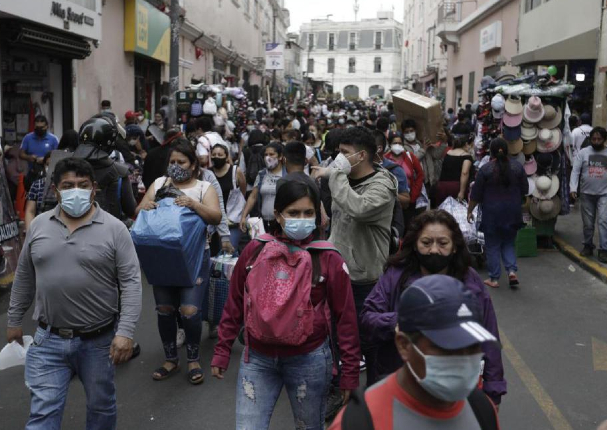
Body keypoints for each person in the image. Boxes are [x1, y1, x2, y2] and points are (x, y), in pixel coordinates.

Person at [211, 180, 361, 430]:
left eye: (308, 213)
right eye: (293, 213)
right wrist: (222, 349)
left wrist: (350, 373)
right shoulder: (255, 251)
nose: (301, 219)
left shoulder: (329, 258)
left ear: (317, 215)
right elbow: (235, 302)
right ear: (278, 215)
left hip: (309, 360)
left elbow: (346, 319)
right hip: (257, 359)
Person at [7, 157, 142, 430]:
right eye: (68, 185)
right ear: (55, 190)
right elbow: (24, 276)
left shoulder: (115, 229)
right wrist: (13, 320)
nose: (75, 190)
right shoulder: (39, 227)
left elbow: (131, 282)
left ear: (94, 189)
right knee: (42, 415)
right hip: (48, 340)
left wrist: (125, 332)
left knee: (101, 407)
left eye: (82, 185)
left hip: (99, 341)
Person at [360, 209, 506, 402]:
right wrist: (398, 322)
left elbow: (489, 338)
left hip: (457, 391)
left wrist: (492, 393)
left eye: (443, 243)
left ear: (454, 247)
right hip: (402, 387)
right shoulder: (396, 276)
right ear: (414, 245)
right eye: (426, 243)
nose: (434, 250)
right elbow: (367, 318)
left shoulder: (471, 283)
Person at [329, 275, 500, 430]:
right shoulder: (360, 422)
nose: (463, 359)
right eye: (446, 347)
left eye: (471, 346)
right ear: (404, 345)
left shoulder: (482, 410)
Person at [312, 126, 397, 402]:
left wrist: (334, 174)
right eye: (338, 152)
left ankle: (375, 400)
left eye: (345, 153)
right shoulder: (343, 180)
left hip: (366, 282)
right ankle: (342, 393)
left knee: (371, 345)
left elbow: (357, 208)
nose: (339, 158)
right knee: (339, 340)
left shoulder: (382, 186)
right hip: (338, 275)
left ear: (361, 156)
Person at [136, 143, 222, 385]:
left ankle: (193, 359)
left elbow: (215, 217)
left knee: (189, 311)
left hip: (195, 257)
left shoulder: (204, 187)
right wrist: (146, 206)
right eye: (172, 162)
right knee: (164, 309)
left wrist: (194, 204)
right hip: (161, 257)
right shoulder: (159, 184)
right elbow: (139, 210)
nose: (176, 167)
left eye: (181, 162)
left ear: (193, 165)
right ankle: (171, 359)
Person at [468, 138, 528, 288]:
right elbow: (525, 190)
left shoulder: (486, 169)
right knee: (508, 243)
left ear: (491, 152)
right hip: (512, 213)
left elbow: (476, 195)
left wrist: (469, 211)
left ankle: (494, 279)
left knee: (493, 245)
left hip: (492, 214)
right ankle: (512, 271)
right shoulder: (517, 167)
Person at [570, 126, 607, 262]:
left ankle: (604, 249)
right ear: (590, 139)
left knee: (604, 221)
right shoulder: (583, 153)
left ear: (604, 140)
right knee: (588, 223)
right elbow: (575, 171)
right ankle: (588, 245)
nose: (596, 141)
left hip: (604, 194)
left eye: (599, 139)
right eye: (594, 139)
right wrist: (573, 188)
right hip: (586, 194)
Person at [240, 142, 286, 232]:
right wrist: (244, 216)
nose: (268, 157)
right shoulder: (262, 175)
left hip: (282, 224)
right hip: (264, 223)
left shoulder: (287, 175)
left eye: (272, 154)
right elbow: (253, 197)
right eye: (266, 155)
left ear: (280, 157)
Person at [210, 142, 247, 250]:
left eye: (220, 155)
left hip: (232, 220)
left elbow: (242, 191)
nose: (216, 157)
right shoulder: (208, 173)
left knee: (229, 251)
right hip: (213, 220)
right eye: (214, 154)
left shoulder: (235, 171)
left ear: (226, 156)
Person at [385, 131, 425, 224]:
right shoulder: (385, 159)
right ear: (390, 144)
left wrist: (414, 194)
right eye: (395, 143)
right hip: (392, 202)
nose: (397, 145)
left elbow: (420, 174)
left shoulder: (410, 156)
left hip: (409, 200)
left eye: (400, 143)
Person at [435, 124, 474, 206]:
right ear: (467, 143)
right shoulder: (466, 156)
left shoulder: (448, 153)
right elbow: (464, 172)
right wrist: (462, 192)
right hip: (456, 187)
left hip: (442, 187)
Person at [374, 131, 410, 209]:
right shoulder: (360, 167)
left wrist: (387, 193)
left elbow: (406, 200)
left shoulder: (395, 170)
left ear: (378, 149)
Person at [24, 152, 51, 230]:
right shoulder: (37, 185)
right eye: (47, 164)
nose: (50, 167)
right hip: (41, 229)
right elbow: (30, 211)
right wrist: (30, 234)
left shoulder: (66, 185)